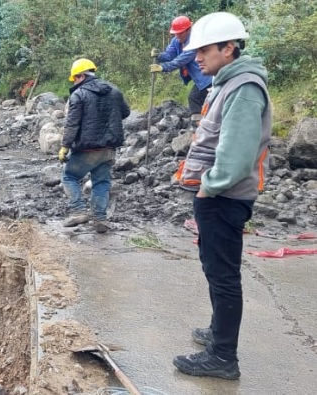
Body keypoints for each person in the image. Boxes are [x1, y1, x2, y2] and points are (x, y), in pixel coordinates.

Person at [172, 12, 271, 380]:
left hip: (224, 197)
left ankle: (223, 357)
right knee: (215, 269)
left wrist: (209, 186)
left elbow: (236, 153)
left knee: (224, 275)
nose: (197, 58)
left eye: (204, 50)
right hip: (217, 197)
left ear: (228, 48)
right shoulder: (227, 83)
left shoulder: (244, 88)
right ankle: (218, 332)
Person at [59, 58, 130, 233]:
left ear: (81, 76)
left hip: (87, 148)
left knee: (69, 176)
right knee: (102, 182)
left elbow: (72, 123)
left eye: (75, 78)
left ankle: (78, 211)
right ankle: (100, 219)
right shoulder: (114, 90)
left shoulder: (79, 94)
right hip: (108, 149)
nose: (74, 82)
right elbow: (126, 112)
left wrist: (64, 146)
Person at [151, 16, 213, 125]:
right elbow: (170, 55)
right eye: (176, 33)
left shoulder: (195, 41)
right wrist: (159, 56)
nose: (177, 36)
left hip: (208, 78)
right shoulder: (176, 41)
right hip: (200, 81)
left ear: (188, 30)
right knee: (194, 98)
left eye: (180, 33)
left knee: (209, 102)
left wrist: (163, 67)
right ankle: (198, 126)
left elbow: (181, 60)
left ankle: (209, 127)